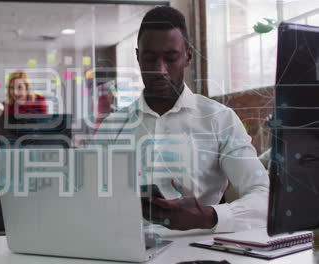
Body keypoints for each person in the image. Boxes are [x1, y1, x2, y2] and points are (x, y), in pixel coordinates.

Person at [96, 6, 269, 233]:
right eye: (149, 59)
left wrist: (207, 216)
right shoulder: (113, 127)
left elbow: (264, 198)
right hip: (123, 250)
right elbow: (89, 199)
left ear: (188, 56)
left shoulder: (219, 120)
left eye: (171, 58)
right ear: (138, 57)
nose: (160, 70)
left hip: (197, 251)